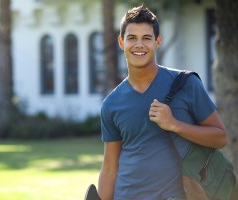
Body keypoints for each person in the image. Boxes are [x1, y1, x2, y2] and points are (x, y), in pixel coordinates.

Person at [97, 4, 227, 200]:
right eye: (132, 38)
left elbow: (220, 137)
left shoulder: (186, 84)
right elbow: (109, 168)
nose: (139, 44)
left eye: (146, 38)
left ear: (157, 41)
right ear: (121, 42)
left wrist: (174, 125)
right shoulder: (111, 103)